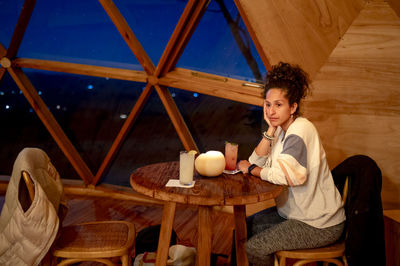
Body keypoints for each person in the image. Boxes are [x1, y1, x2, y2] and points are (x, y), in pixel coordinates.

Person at [236, 62, 345, 265]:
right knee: (244, 227)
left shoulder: (300, 130)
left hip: (319, 224)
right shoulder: (281, 129)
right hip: (296, 215)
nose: (271, 111)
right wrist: (269, 131)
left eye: (278, 105)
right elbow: (255, 160)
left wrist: (253, 170)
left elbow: (288, 176)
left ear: (293, 107)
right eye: (268, 105)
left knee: (255, 247)